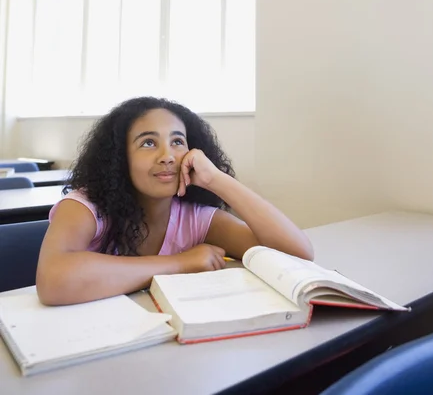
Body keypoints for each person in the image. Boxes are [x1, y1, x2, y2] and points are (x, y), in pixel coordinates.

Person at [37, 97, 314, 305]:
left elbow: (297, 254)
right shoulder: (86, 207)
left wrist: (217, 180)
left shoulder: (195, 218)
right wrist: (181, 264)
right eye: (148, 143)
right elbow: (52, 281)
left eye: (178, 142)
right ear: (119, 158)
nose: (167, 155)